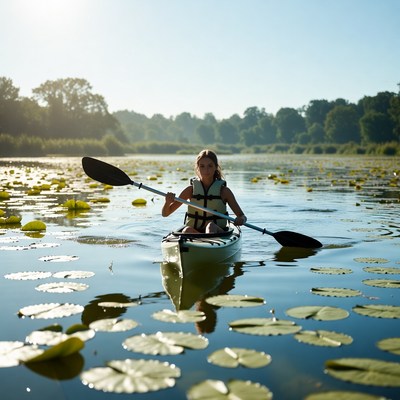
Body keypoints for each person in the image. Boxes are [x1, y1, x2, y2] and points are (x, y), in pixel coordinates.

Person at [162, 149, 247, 233]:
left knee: (211, 226)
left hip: (218, 233)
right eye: (202, 166)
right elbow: (165, 213)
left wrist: (241, 219)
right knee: (187, 230)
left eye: (210, 166)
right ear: (198, 168)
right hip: (196, 234)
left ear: (216, 167)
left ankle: (209, 243)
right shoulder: (190, 190)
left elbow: (242, 216)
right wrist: (167, 202)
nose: (206, 170)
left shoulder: (224, 191)